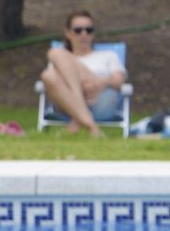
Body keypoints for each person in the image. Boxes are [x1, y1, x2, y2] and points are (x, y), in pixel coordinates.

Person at [39, 10, 126, 138]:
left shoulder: (108, 55)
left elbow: (119, 80)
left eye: (89, 30)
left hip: (100, 101)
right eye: (78, 30)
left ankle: (79, 116)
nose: (84, 34)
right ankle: (90, 124)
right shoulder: (61, 57)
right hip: (66, 105)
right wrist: (81, 89)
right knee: (49, 71)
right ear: (68, 33)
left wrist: (99, 83)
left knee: (55, 55)